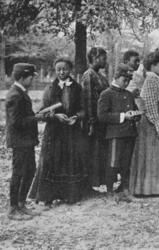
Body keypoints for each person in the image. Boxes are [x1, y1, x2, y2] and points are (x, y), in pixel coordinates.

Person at [30, 58, 88, 207]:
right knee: (52, 162)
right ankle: (49, 196)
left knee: (69, 163)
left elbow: (83, 109)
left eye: (65, 69)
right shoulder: (50, 89)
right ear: (55, 71)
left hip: (71, 133)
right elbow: (41, 113)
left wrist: (77, 117)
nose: (62, 72)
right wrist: (55, 116)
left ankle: (69, 195)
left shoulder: (77, 88)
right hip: (54, 133)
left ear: (71, 70)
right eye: (59, 70)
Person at [5, 63, 53, 220]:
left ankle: (21, 203)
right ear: (22, 77)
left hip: (27, 141)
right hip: (20, 141)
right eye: (31, 76)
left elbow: (24, 116)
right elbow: (16, 122)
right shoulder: (15, 95)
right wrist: (37, 118)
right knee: (19, 172)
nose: (32, 79)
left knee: (30, 170)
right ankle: (13, 208)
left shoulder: (21, 92)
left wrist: (37, 115)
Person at [129, 51, 159, 196]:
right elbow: (149, 104)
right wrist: (157, 125)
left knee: (156, 153)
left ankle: (155, 187)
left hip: (156, 117)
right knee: (152, 153)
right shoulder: (151, 79)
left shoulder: (154, 79)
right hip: (151, 122)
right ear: (153, 65)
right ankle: (149, 188)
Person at [97, 64, 140, 202]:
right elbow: (102, 115)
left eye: (129, 80)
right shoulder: (106, 94)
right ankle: (110, 191)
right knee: (113, 163)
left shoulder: (128, 94)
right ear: (116, 77)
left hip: (130, 133)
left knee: (126, 163)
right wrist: (123, 116)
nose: (126, 83)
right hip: (115, 134)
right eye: (124, 79)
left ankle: (124, 190)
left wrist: (136, 115)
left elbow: (136, 110)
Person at [81, 47, 110, 193]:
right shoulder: (89, 75)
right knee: (93, 152)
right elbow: (89, 101)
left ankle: (98, 182)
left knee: (101, 152)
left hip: (103, 121)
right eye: (103, 58)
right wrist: (91, 122)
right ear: (95, 57)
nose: (105, 61)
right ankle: (89, 184)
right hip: (94, 122)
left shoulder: (101, 76)